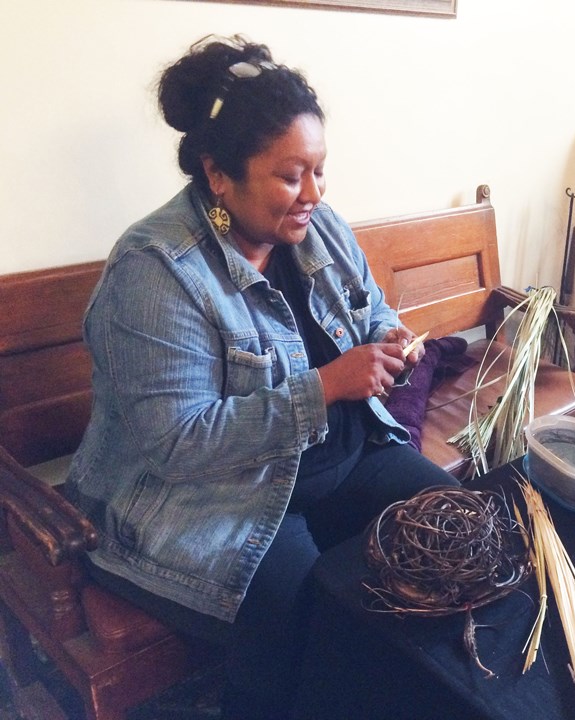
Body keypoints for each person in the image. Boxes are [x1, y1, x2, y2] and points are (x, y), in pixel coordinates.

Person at [65, 34, 457, 719]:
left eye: (319, 169)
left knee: (449, 518)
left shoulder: (320, 227)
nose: (314, 193)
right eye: (290, 175)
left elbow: (369, 307)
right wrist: (329, 385)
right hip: (217, 500)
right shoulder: (157, 272)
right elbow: (178, 443)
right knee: (304, 604)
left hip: (342, 458)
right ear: (219, 175)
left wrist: (386, 337)